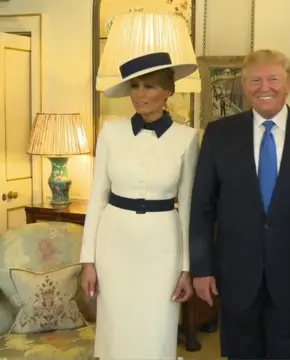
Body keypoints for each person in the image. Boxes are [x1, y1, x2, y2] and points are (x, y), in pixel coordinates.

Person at [189, 49, 290, 359]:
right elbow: (202, 207)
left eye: (273, 79)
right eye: (255, 80)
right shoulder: (219, 135)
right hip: (236, 276)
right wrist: (201, 269)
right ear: (245, 86)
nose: (264, 87)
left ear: (289, 84)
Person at [79, 52, 198, 359]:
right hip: (114, 243)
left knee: (157, 327)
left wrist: (186, 267)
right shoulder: (111, 133)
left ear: (169, 91)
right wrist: (88, 260)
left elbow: (187, 206)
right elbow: (96, 199)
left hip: (163, 246)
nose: (140, 94)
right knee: (116, 326)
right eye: (135, 86)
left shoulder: (187, 138)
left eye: (149, 86)